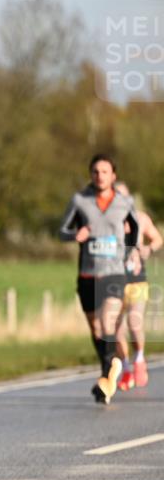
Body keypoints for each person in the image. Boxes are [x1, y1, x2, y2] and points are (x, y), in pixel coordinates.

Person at [58, 154, 141, 404]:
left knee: (108, 323)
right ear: (90, 174)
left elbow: (135, 230)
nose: (100, 176)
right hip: (87, 274)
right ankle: (108, 373)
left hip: (114, 273)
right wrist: (75, 235)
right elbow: (62, 231)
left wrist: (131, 251)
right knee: (95, 329)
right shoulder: (80, 201)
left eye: (105, 172)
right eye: (95, 171)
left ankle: (109, 369)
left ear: (113, 175)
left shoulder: (124, 202)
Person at [114, 182, 162, 390]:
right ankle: (126, 368)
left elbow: (158, 239)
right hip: (113, 281)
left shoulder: (141, 219)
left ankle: (140, 359)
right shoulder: (106, 221)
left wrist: (148, 248)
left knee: (134, 323)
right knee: (115, 329)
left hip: (136, 280)